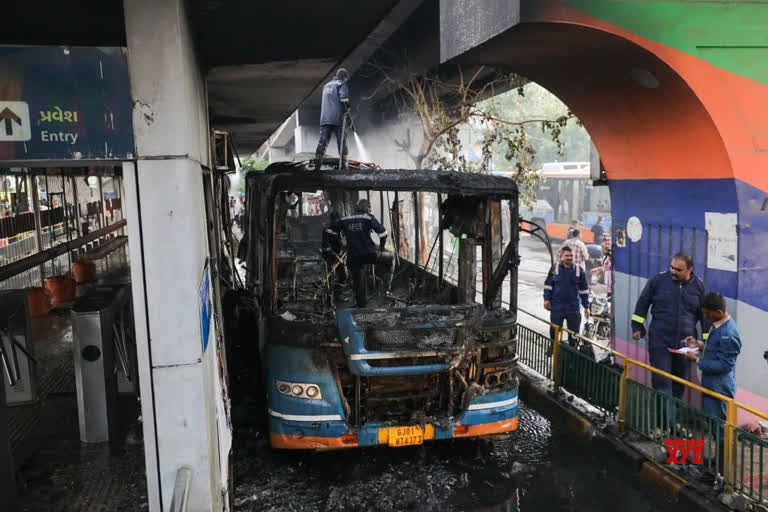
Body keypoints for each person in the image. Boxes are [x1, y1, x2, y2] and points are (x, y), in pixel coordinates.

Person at [632, 253, 709, 400]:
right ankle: (663, 422)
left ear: (689, 270)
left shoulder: (699, 287)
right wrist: (637, 326)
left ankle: (672, 421)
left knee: (678, 384)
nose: (673, 271)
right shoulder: (658, 281)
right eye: (671, 267)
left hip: (685, 344)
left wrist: (705, 343)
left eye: (678, 270)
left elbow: (705, 318)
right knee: (662, 382)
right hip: (660, 341)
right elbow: (643, 303)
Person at [684, 292, 741, 475]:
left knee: (721, 429)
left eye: (708, 313)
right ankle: (718, 465)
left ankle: (723, 471)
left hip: (719, 388)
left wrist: (697, 361)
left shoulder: (728, 334)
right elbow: (715, 350)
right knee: (715, 427)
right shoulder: (718, 326)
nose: (706, 316)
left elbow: (725, 365)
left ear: (718, 311)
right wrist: (700, 345)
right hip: (711, 386)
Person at [335, 199, 394, 307]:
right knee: (390, 258)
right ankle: (387, 290)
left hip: (353, 256)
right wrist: (381, 248)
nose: (370, 209)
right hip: (369, 255)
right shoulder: (368, 217)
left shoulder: (345, 219)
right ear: (364, 207)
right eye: (369, 207)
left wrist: (343, 244)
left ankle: (361, 304)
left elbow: (335, 232)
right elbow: (383, 233)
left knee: (358, 278)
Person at [544, 246, 590, 347]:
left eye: (571, 255)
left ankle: (572, 351)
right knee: (555, 329)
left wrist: (586, 307)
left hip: (573, 308)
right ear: (562, 256)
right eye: (567, 255)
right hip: (557, 306)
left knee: (573, 333)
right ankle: (553, 346)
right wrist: (547, 299)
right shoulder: (555, 267)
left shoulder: (579, 270)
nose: (569, 257)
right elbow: (548, 285)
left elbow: (584, 290)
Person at [314, 68, 351, 170]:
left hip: (325, 118)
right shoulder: (341, 84)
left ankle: (317, 166)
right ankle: (344, 165)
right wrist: (347, 108)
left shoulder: (326, 85)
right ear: (344, 77)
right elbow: (344, 99)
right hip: (337, 119)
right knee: (342, 142)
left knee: (322, 143)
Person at [321, 211, 347, 301]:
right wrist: (336, 257)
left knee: (343, 275)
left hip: (341, 256)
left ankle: (338, 294)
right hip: (330, 257)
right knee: (331, 276)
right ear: (332, 220)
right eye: (336, 220)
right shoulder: (327, 230)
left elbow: (345, 241)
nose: (338, 222)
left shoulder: (342, 229)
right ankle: (329, 296)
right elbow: (326, 247)